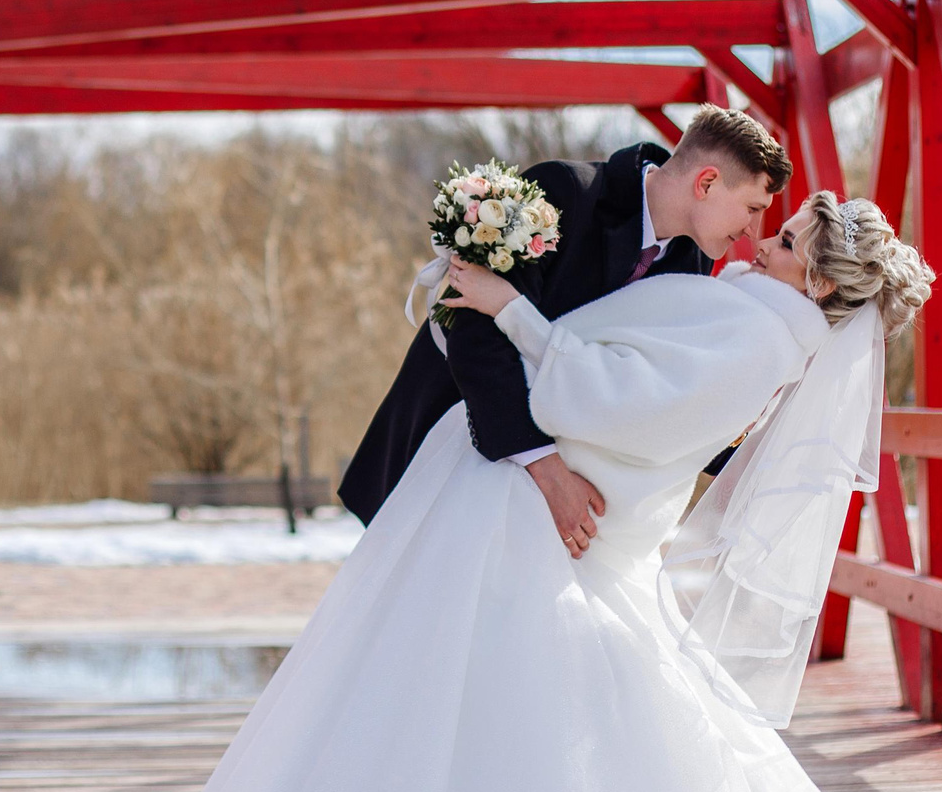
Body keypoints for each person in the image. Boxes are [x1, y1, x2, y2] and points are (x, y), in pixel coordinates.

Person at [145, 190, 937, 792]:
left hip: (531, 516)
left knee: (459, 710)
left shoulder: (755, 336)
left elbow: (603, 399)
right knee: (443, 705)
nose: (758, 240)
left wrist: (510, 307)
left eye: (782, 240)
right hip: (519, 499)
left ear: (815, 284)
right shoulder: (754, 317)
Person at [336, 109, 789, 559]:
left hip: (548, 497)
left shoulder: (692, 263)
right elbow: (473, 330)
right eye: (752, 208)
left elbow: (646, 387)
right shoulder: (565, 192)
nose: (753, 230)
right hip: (452, 425)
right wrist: (546, 467)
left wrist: (736, 435)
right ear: (706, 183)